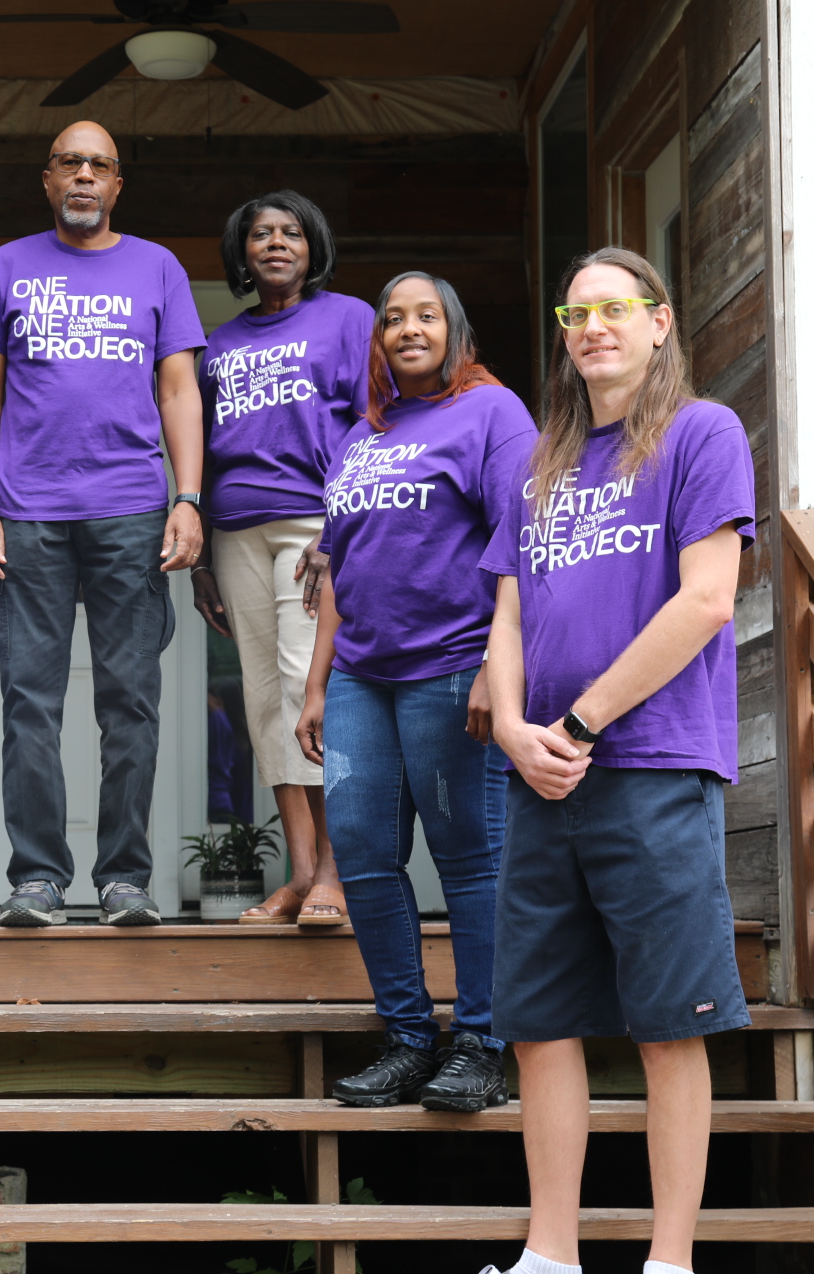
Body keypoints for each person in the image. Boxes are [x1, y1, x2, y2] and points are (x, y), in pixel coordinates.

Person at [480, 247, 753, 1274]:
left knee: (666, 1023)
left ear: (660, 321)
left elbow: (707, 599)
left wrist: (582, 723)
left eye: (614, 309)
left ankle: (669, 1260)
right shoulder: (538, 462)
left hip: (648, 766)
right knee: (541, 1024)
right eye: (575, 312)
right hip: (540, 775)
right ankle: (550, 1255)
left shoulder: (701, 434)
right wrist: (513, 727)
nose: (592, 326)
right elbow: (505, 615)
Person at [0, 121, 207, 928]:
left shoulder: (158, 267)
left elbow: (178, 392)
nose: (85, 177)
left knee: (130, 702)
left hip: (132, 510)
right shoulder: (7, 267)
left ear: (118, 183)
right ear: (48, 177)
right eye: (71, 163)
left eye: (100, 165)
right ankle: (37, 879)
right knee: (29, 701)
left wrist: (188, 496)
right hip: (27, 515)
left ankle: (124, 879)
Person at [296, 273, 533, 1111]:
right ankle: (406, 1037)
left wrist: (500, 669)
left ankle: (480, 1039)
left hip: (454, 663)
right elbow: (338, 568)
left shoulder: (493, 414)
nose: (406, 328)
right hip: (363, 674)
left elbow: (524, 538)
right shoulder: (363, 435)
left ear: (453, 329)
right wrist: (318, 683)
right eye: (392, 318)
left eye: (425, 315)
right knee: (362, 853)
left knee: (469, 858)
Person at [192, 190, 369, 925]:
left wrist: (339, 534)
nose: (274, 244)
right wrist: (200, 556)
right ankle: (299, 875)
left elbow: (372, 424)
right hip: (236, 530)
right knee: (265, 698)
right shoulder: (220, 346)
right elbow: (200, 447)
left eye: (290, 232)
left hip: (311, 526)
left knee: (307, 691)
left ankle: (337, 872)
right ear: (242, 254)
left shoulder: (349, 320)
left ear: (311, 244)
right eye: (259, 234)